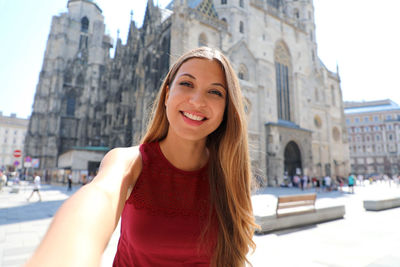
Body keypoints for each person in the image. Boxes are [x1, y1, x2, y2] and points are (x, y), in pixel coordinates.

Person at [25, 47, 257, 267]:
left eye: (215, 92)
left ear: (227, 108)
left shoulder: (229, 175)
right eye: (187, 83)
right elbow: (98, 199)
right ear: (167, 94)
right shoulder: (128, 162)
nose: (197, 101)